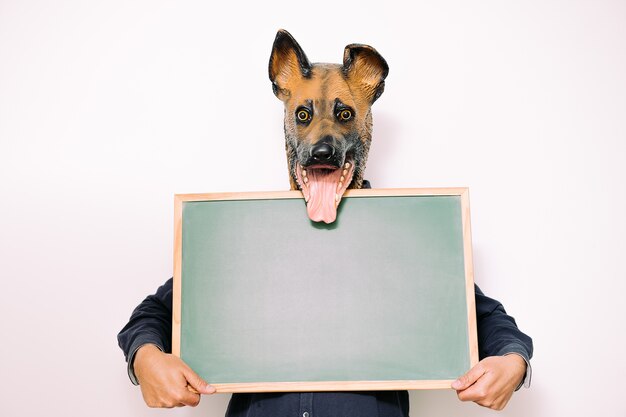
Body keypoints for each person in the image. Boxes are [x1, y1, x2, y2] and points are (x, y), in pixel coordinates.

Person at [118, 203, 533, 415]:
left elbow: (485, 317)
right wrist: (147, 358)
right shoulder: (250, 230)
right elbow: (154, 313)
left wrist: (514, 364)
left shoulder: (401, 234)